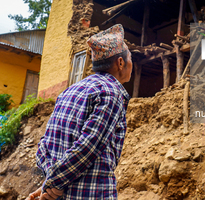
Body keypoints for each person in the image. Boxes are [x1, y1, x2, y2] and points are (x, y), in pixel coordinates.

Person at [26, 24, 133, 200]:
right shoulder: (111, 93)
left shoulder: (69, 90)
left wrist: (49, 184)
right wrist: (54, 184)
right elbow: (88, 146)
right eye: (130, 58)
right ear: (120, 62)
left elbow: (45, 144)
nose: (132, 63)